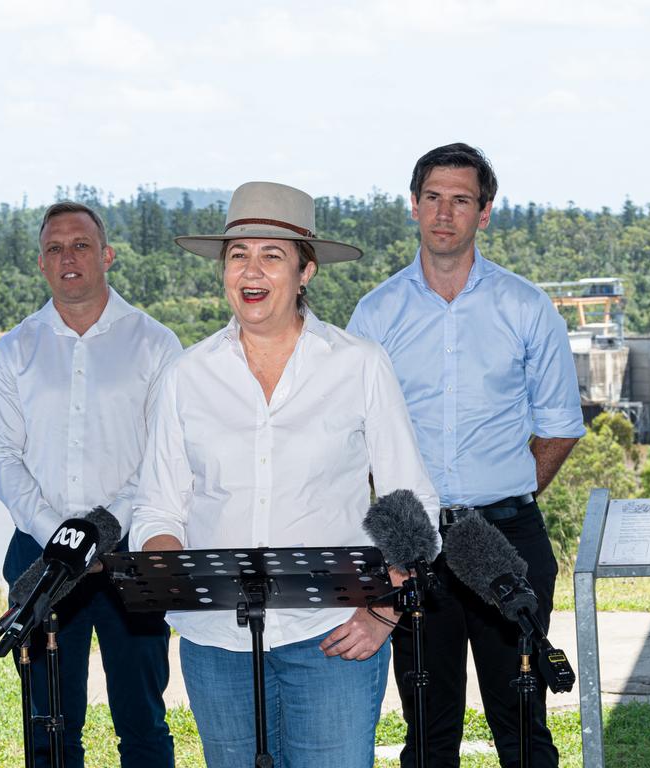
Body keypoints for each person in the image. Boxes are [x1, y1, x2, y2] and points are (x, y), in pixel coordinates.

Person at [130, 181, 439, 768]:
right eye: (238, 255)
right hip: (216, 644)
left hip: (335, 637)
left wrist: (383, 612)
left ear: (306, 272)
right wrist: (174, 573)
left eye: (272, 255)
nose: (253, 270)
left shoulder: (360, 365)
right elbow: (158, 508)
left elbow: (410, 502)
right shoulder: (185, 376)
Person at [347, 143, 585, 768]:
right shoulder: (375, 314)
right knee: (427, 734)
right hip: (413, 545)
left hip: (507, 536)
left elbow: (560, 426)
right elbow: (356, 438)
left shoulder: (526, 307)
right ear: (414, 206)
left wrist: (506, 494)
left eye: (461, 200)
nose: (444, 213)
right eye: (433, 198)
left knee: (525, 726)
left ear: (484, 213)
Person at [0, 201, 181, 768]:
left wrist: (101, 530)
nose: (68, 257)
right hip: (40, 560)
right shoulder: (15, 348)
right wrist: (55, 533)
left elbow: (167, 456)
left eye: (81, 245)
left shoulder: (156, 345)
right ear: (41, 263)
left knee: (143, 721)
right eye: (55, 248)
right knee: (47, 726)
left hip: (130, 559)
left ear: (106, 255)